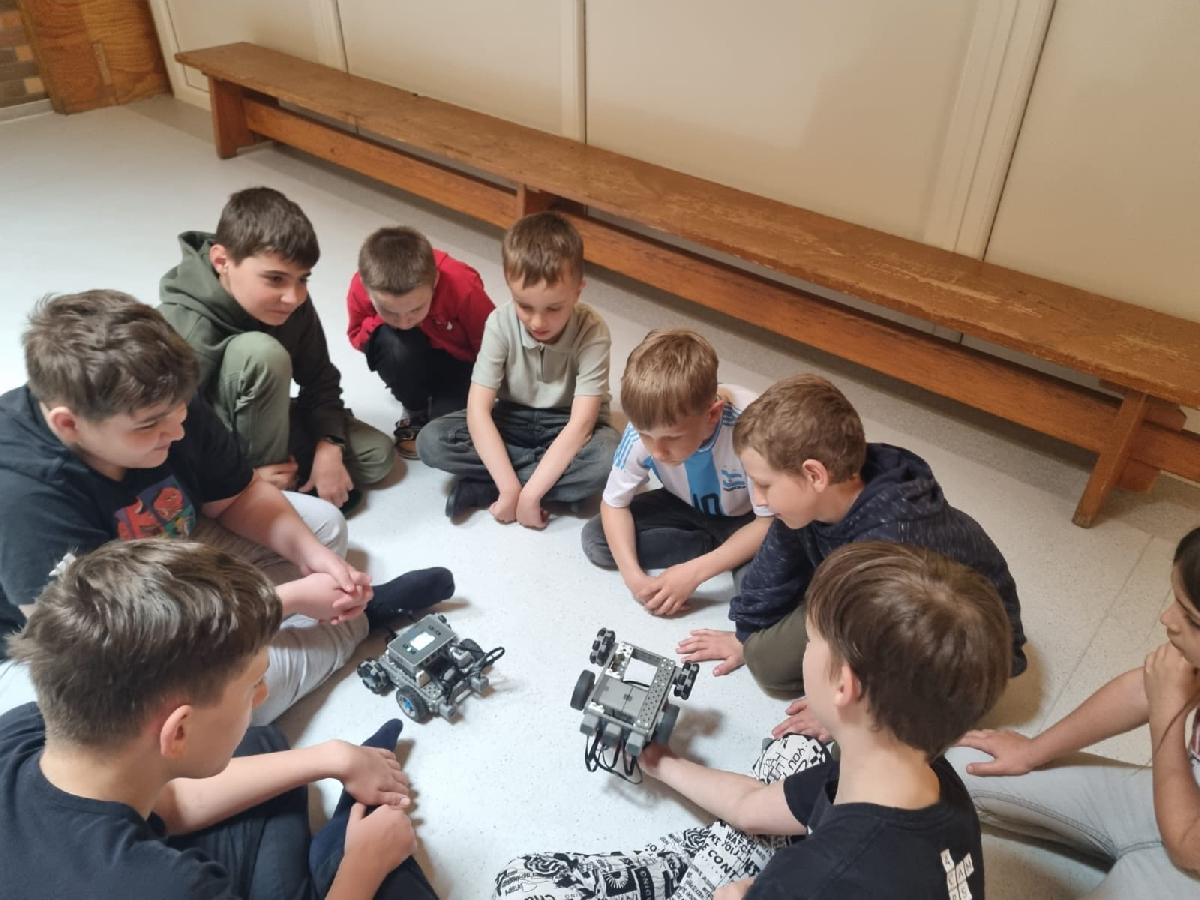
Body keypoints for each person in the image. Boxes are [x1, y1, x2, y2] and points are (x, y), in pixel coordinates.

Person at [0, 291, 453, 722]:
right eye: (150, 427)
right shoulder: (25, 498)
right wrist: (284, 602)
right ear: (69, 424)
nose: (178, 432)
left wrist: (312, 557)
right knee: (230, 707)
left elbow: (238, 495)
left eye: (181, 410)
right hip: (103, 626)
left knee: (325, 530)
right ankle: (357, 624)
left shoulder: (162, 395)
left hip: (171, 544)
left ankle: (264, 629)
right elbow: (97, 647)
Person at [494, 542, 1011, 899]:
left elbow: (806, 877)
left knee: (523, 881)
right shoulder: (928, 782)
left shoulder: (811, 882)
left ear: (843, 685)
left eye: (810, 641)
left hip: (800, 881)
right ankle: (714, 857)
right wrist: (659, 762)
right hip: (825, 867)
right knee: (795, 753)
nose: (803, 650)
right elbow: (751, 806)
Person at [1, 538, 437, 899]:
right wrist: (363, 866)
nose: (263, 694)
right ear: (179, 731)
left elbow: (168, 805)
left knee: (263, 744)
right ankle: (336, 857)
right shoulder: (171, 885)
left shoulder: (23, 728)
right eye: (254, 685)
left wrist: (333, 757)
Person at [677, 374, 1027, 705]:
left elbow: (898, 643)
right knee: (756, 601)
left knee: (768, 665)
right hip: (858, 584)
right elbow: (777, 556)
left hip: (961, 649)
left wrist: (845, 708)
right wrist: (743, 635)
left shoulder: (889, 545)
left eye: (764, 484)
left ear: (814, 475)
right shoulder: (814, 497)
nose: (758, 499)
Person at [948, 526, 1200, 896]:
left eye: (1192, 619)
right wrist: (1031, 752)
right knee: (962, 766)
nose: (1167, 618)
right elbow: (1144, 689)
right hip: (1176, 794)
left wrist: (1168, 716)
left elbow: (1187, 846)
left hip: (1190, 857)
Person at [160, 186, 395, 513]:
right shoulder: (183, 326)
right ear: (221, 261)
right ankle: (261, 501)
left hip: (257, 418)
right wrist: (243, 479)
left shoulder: (290, 303)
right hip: (206, 444)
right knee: (261, 352)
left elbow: (319, 379)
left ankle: (286, 479)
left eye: (303, 279)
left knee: (377, 456)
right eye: (275, 279)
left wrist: (329, 445)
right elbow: (164, 434)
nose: (293, 296)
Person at [416, 211, 619, 528]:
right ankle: (555, 489)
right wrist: (512, 490)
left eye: (554, 308)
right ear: (510, 286)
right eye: (524, 306)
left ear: (578, 291)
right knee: (431, 441)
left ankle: (488, 486)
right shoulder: (499, 323)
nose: (538, 322)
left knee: (610, 459)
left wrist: (528, 497)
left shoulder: (593, 331)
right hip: (511, 418)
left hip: (567, 423)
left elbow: (581, 426)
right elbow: (478, 412)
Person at [581, 329, 771, 616]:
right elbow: (613, 505)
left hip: (747, 518)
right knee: (597, 540)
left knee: (759, 595)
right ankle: (713, 546)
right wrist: (634, 579)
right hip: (683, 503)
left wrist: (693, 573)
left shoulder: (751, 431)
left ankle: (719, 550)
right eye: (645, 435)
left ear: (712, 415)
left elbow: (769, 521)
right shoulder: (646, 424)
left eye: (671, 438)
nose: (657, 451)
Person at [346, 226, 494, 459]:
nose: (404, 322)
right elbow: (357, 338)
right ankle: (415, 410)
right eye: (389, 310)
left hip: (459, 363)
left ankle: (444, 403)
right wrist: (380, 322)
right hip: (409, 354)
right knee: (393, 344)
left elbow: (492, 345)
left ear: (435, 281)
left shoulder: (462, 284)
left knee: (444, 431)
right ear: (367, 288)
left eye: (416, 308)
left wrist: (486, 394)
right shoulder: (360, 286)